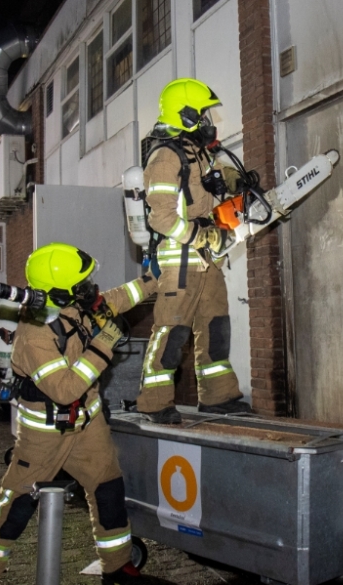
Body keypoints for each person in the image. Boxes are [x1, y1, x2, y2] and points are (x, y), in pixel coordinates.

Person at [0, 242, 156, 585]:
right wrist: (103, 344)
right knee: (17, 504)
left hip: (88, 425)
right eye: (81, 286)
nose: (90, 290)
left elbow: (114, 301)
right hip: (45, 432)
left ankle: (118, 565)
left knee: (108, 490)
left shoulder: (74, 307)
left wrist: (151, 280)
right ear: (59, 293)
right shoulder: (33, 335)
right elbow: (66, 389)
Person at [132, 78, 253, 425]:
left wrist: (235, 180)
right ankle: (154, 402)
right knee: (172, 332)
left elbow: (211, 178)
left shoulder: (195, 152)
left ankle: (218, 397)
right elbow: (161, 217)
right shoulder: (165, 156)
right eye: (202, 113)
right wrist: (201, 237)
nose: (207, 119)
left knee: (215, 326)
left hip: (206, 258)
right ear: (184, 115)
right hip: (181, 258)